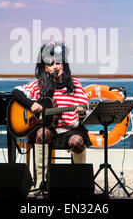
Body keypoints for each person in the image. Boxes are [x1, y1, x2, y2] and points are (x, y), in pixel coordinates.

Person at [11, 42, 92, 189]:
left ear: (64, 64)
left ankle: (80, 183)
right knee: (42, 133)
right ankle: (40, 182)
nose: (55, 66)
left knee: (78, 141)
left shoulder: (75, 85)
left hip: (69, 130)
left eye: (58, 62)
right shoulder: (40, 85)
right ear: (46, 68)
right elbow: (16, 91)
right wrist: (31, 104)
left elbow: (87, 111)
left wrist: (83, 112)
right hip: (49, 130)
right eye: (51, 63)